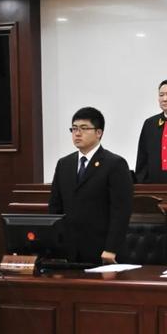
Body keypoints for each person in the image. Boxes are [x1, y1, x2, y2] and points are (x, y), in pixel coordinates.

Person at [48, 107, 133, 264]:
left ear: (98, 132)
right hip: (69, 251)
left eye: (84, 128)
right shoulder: (64, 164)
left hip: (102, 251)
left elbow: (121, 211)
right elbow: (55, 207)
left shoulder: (115, 164)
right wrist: (55, 245)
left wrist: (111, 249)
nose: (77, 133)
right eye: (74, 129)